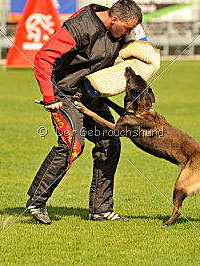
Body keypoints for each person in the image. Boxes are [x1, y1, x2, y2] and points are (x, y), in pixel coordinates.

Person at [26, 0, 143, 224]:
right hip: (64, 94)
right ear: (114, 19)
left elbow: (141, 42)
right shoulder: (80, 27)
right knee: (72, 144)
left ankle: (101, 210)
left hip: (90, 94)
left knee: (110, 143)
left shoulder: (121, 26)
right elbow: (43, 58)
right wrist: (50, 98)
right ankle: (36, 202)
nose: (129, 34)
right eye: (127, 29)